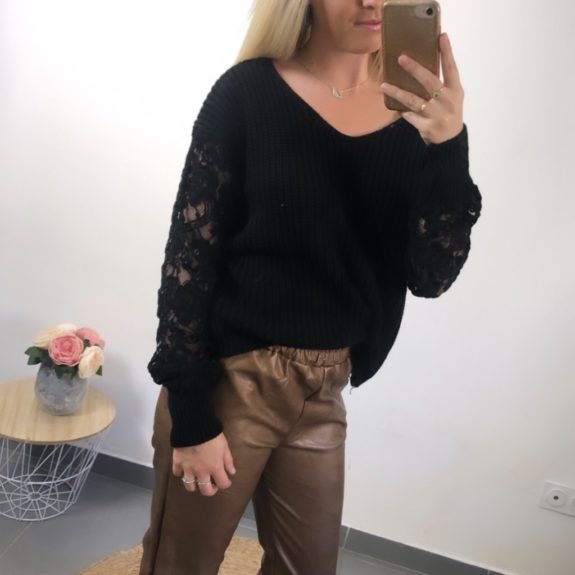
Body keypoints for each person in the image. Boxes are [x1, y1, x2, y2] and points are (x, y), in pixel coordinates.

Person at [138, 0, 482, 573]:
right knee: (182, 562)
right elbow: (188, 260)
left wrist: (450, 145)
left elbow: (431, 277)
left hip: (324, 391)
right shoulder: (247, 94)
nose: (372, 2)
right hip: (232, 379)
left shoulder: (419, 119)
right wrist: (192, 412)